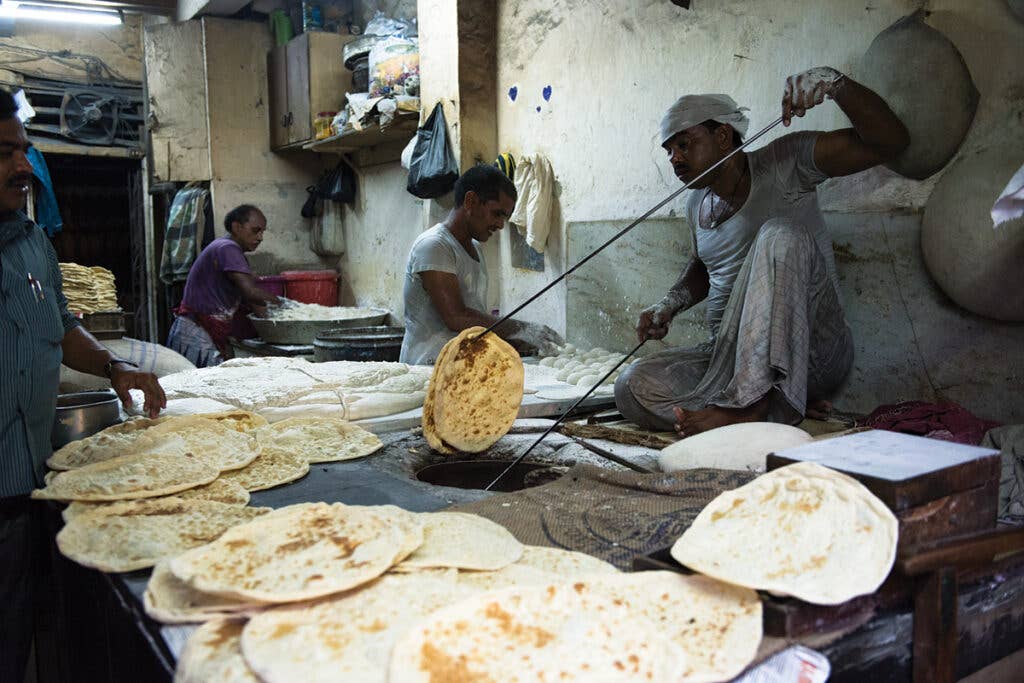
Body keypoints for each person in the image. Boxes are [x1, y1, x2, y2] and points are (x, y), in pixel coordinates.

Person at [615, 67, 910, 436]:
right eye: (669, 150)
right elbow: (706, 266)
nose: (674, 158)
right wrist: (669, 303)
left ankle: (749, 406)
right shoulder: (695, 204)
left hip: (814, 352)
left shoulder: (787, 162)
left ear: (723, 135)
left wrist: (837, 85)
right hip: (730, 357)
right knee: (632, 387)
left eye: (684, 144)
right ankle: (780, 403)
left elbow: (891, 143)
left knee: (779, 234)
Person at [0, 88, 166, 683]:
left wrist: (116, 369)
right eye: (4, 153)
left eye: (23, 151)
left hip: (29, 489)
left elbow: (62, 326)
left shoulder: (30, 244)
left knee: (19, 640)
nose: (24, 168)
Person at [400, 164, 563, 365]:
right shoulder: (435, 245)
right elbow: (457, 317)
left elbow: (474, 320)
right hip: (427, 370)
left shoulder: (475, 248)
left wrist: (518, 342)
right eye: (497, 213)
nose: (501, 225)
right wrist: (522, 329)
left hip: (460, 369)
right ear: (471, 201)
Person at [167, 204, 282, 367]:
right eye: (256, 230)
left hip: (197, 330)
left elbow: (253, 302)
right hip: (196, 332)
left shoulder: (226, 248)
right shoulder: (228, 248)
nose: (260, 237)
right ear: (237, 227)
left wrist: (277, 326)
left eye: (263, 232)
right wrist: (287, 305)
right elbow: (250, 292)